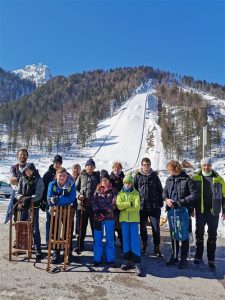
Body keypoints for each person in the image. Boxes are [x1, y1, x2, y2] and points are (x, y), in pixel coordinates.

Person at [163, 160, 198, 269]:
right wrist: (166, 199)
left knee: (183, 234)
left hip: (183, 211)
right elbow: (164, 192)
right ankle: (174, 256)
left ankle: (183, 259)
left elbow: (194, 195)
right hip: (171, 211)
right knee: (173, 234)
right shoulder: (169, 179)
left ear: (175, 169)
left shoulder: (187, 179)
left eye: (170, 170)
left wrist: (180, 202)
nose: (169, 172)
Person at [192, 157, 225, 269]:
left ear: (211, 166)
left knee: (212, 235)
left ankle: (211, 259)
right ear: (201, 166)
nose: (206, 167)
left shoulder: (219, 179)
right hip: (200, 211)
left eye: (208, 165)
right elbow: (192, 195)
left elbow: (224, 197)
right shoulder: (195, 177)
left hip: (213, 212)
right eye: (204, 165)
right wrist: (191, 209)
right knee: (199, 234)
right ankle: (198, 256)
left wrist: (224, 210)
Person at [134, 157, 164, 257]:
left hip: (154, 207)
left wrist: (160, 203)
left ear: (150, 165)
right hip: (142, 207)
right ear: (141, 166)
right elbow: (134, 191)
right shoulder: (137, 176)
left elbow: (160, 190)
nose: (146, 167)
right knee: (142, 228)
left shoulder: (154, 176)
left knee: (156, 228)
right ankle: (145, 246)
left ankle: (157, 248)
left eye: (148, 165)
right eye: (144, 165)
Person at [47, 167, 76, 263]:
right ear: (56, 176)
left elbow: (71, 198)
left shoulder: (71, 184)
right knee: (55, 231)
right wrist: (60, 200)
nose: (62, 177)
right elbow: (49, 198)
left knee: (67, 231)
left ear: (67, 175)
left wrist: (58, 199)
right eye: (60, 176)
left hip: (68, 211)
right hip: (56, 211)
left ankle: (68, 252)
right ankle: (56, 252)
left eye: (64, 175)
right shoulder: (52, 184)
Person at [116, 173, 143, 277]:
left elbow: (137, 206)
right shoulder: (120, 194)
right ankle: (126, 260)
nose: (127, 185)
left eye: (129, 183)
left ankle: (137, 263)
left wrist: (125, 206)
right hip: (124, 220)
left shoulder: (136, 194)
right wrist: (129, 204)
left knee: (134, 240)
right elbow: (119, 206)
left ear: (132, 184)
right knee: (126, 240)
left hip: (133, 220)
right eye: (125, 183)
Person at [15, 163, 44, 258]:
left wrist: (29, 199)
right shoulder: (22, 179)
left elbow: (39, 194)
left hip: (34, 207)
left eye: (30, 170)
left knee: (35, 228)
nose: (28, 172)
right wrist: (21, 198)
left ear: (33, 170)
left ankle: (37, 248)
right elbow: (17, 192)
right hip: (24, 207)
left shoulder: (38, 179)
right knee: (22, 226)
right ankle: (23, 246)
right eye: (26, 170)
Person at [92, 170, 117, 267]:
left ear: (108, 180)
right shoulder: (97, 190)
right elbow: (94, 201)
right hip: (98, 218)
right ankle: (97, 259)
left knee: (109, 239)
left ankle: (110, 259)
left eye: (105, 180)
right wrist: (97, 211)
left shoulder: (113, 190)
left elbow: (114, 203)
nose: (104, 182)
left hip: (109, 217)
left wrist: (106, 210)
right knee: (98, 239)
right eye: (102, 180)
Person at [75, 158, 100, 253]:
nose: (90, 167)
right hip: (82, 205)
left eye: (92, 166)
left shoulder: (97, 176)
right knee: (81, 227)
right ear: (85, 167)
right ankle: (80, 245)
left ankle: (97, 245)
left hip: (94, 206)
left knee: (94, 227)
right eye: (88, 165)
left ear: (94, 167)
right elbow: (75, 188)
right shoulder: (81, 176)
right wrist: (79, 195)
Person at [42, 154, 63, 246]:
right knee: (49, 222)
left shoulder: (62, 173)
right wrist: (43, 201)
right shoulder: (47, 174)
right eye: (56, 162)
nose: (57, 164)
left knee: (57, 222)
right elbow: (43, 189)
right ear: (53, 163)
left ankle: (56, 239)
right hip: (49, 202)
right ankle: (48, 240)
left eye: (59, 163)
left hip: (59, 202)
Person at [5, 148, 29, 224]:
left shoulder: (30, 167)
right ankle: (18, 235)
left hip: (27, 196)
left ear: (27, 156)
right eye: (21, 154)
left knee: (27, 219)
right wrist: (25, 180)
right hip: (16, 196)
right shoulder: (13, 168)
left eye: (24, 154)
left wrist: (18, 180)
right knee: (16, 219)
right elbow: (12, 181)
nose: (22, 156)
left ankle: (27, 235)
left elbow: (32, 182)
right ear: (17, 156)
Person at [109, 161, 124, 249]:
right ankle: (112, 242)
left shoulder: (124, 178)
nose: (117, 169)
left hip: (121, 205)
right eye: (115, 168)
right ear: (113, 168)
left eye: (118, 168)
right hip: (112, 205)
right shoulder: (109, 178)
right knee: (112, 224)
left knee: (121, 224)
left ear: (121, 169)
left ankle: (122, 241)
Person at [71, 163, 81, 237]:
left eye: (77, 168)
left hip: (78, 198)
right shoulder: (70, 177)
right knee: (71, 216)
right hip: (71, 199)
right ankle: (70, 232)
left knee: (78, 216)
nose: (76, 170)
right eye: (74, 168)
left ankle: (77, 232)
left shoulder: (81, 177)